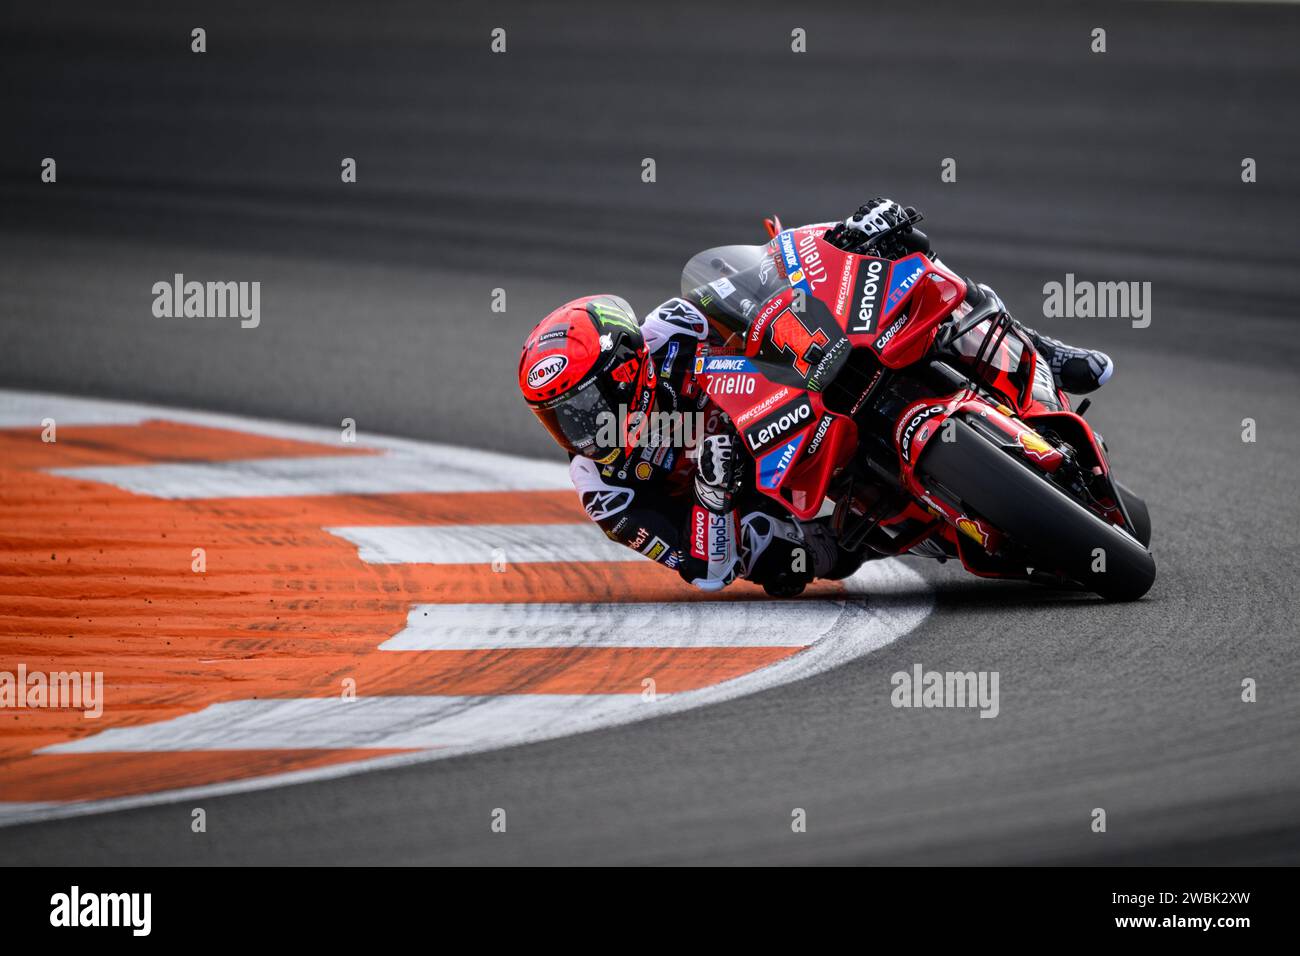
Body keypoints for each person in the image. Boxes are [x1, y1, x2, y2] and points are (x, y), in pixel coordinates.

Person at [517, 199, 1113, 594]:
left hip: (803, 395)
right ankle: (926, 510)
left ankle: (1040, 348)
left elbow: (770, 280)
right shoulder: (605, 488)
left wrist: (847, 239)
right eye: (560, 418)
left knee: (919, 286)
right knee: (784, 560)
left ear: (625, 368)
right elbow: (706, 571)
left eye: (582, 407)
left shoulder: (671, 329)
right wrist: (710, 492)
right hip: (781, 496)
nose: (578, 430)